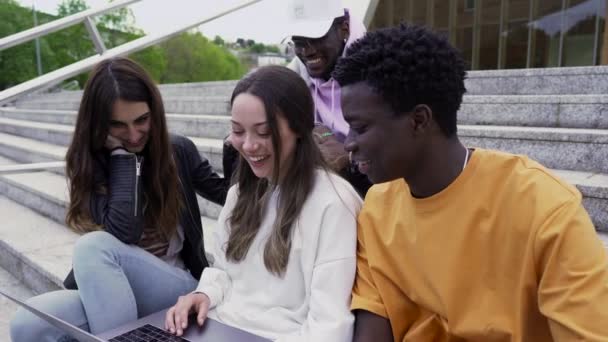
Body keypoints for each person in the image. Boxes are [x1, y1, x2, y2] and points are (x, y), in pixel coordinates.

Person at [331, 24, 608, 341]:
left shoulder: (544, 210)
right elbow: (375, 312)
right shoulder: (378, 207)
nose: (348, 143)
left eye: (360, 127)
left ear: (419, 120)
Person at [10, 57, 229, 341]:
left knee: (92, 247)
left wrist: (236, 147)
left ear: (155, 112)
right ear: (99, 125)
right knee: (26, 325)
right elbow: (126, 229)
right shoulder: (89, 164)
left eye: (142, 120)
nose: (134, 135)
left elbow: (227, 194)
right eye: (118, 126)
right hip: (116, 290)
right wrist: (123, 159)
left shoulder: (179, 150)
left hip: (176, 287)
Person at [165, 65, 362, 341]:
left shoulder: (334, 203)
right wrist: (202, 294)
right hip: (217, 328)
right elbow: (223, 272)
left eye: (263, 132)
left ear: (299, 128)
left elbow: (329, 327)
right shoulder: (239, 195)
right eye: (237, 131)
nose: (248, 145)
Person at [223, 0, 371, 196]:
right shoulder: (298, 70)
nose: (307, 50)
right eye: (299, 41)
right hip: (320, 169)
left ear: (344, 29)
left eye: (316, 37)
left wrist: (350, 157)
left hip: (368, 174)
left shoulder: (374, 70)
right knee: (235, 149)